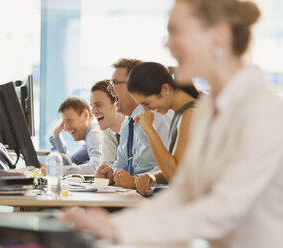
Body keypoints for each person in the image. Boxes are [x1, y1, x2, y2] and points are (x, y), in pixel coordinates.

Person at [62, 0, 283, 247]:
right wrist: (114, 227)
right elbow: (184, 192)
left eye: (176, 31)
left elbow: (224, 209)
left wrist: (120, 231)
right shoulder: (210, 110)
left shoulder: (266, 112)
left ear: (219, 35)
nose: (167, 43)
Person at [95, 58, 173, 189]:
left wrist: (134, 182)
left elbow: (170, 170)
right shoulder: (128, 123)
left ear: (134, 85)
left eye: (114, 82)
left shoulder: (159, 116)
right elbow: (121, 164)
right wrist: (112, 175)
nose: (109, 88)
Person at [127, 62, 199, 195]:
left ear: (165, 89)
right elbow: (180, 168)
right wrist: (154, 177)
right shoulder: (181, 114)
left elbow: (176, 176)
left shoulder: (191, 114)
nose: (146, 110)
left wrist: (150, 130)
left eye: (147, 103)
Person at [49, 97, 102, 175]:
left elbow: (97, 168)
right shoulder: (89, 136)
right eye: (63, 122)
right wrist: (56, 134)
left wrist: (54, 171)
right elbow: (69, 162)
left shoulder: (95, 134)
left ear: (85, 115)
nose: (66, 128)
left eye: (69, 120)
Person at [90, 79, 125, 167]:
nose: (93, 111)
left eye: (98, 105)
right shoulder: (108, 130)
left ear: (116, 102)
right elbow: (108, 163)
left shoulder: (135, 128)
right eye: (91, 106)